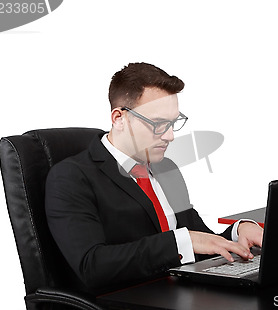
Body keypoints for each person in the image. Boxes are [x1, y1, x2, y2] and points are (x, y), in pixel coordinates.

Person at [45, 62, 263, 294]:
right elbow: (92, 266)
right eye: (158, 124)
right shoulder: (71, 177)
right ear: (119, 118)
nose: (169, 136)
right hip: (128, 300)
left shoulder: (166, 169)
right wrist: (181, 242)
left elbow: (200, 240)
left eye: (172, 123)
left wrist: (237, 232)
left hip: (179, 293)